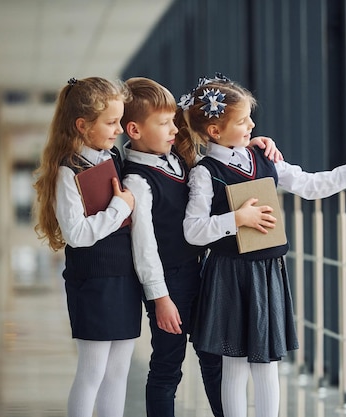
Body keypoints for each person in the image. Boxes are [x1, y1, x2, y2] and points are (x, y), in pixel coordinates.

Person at [178, 74, 346, 417]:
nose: (251, 124)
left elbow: (309, 184)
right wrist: (236, 219)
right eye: (241, 121)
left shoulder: (265, 158)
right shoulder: (205, 172)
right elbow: (193, 230)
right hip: (228, 274)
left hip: (267, 273)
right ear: (214, 131)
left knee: (267, 363)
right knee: (234, 365)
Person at [119, 76, 282, 417]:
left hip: (201, 273)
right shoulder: (137, 180)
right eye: (163, 124)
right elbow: (144, 246)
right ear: (134, 130)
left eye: (172, 121)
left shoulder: (178, 158)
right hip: (169, 285)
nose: (173, 129)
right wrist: (160, 298)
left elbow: (217, 148)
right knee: (167, 366)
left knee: (215, 360)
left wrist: (252, 144)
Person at [32, 77, 141, 417]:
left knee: (118, 372)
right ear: (82, 125)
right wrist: (121, 208)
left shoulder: (114, 159)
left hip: (124, 278)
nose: (119, 129)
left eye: (120, 121)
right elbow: (77, 234)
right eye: (110, 123)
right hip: (92, 282)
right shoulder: (69, 171)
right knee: (92, 371)